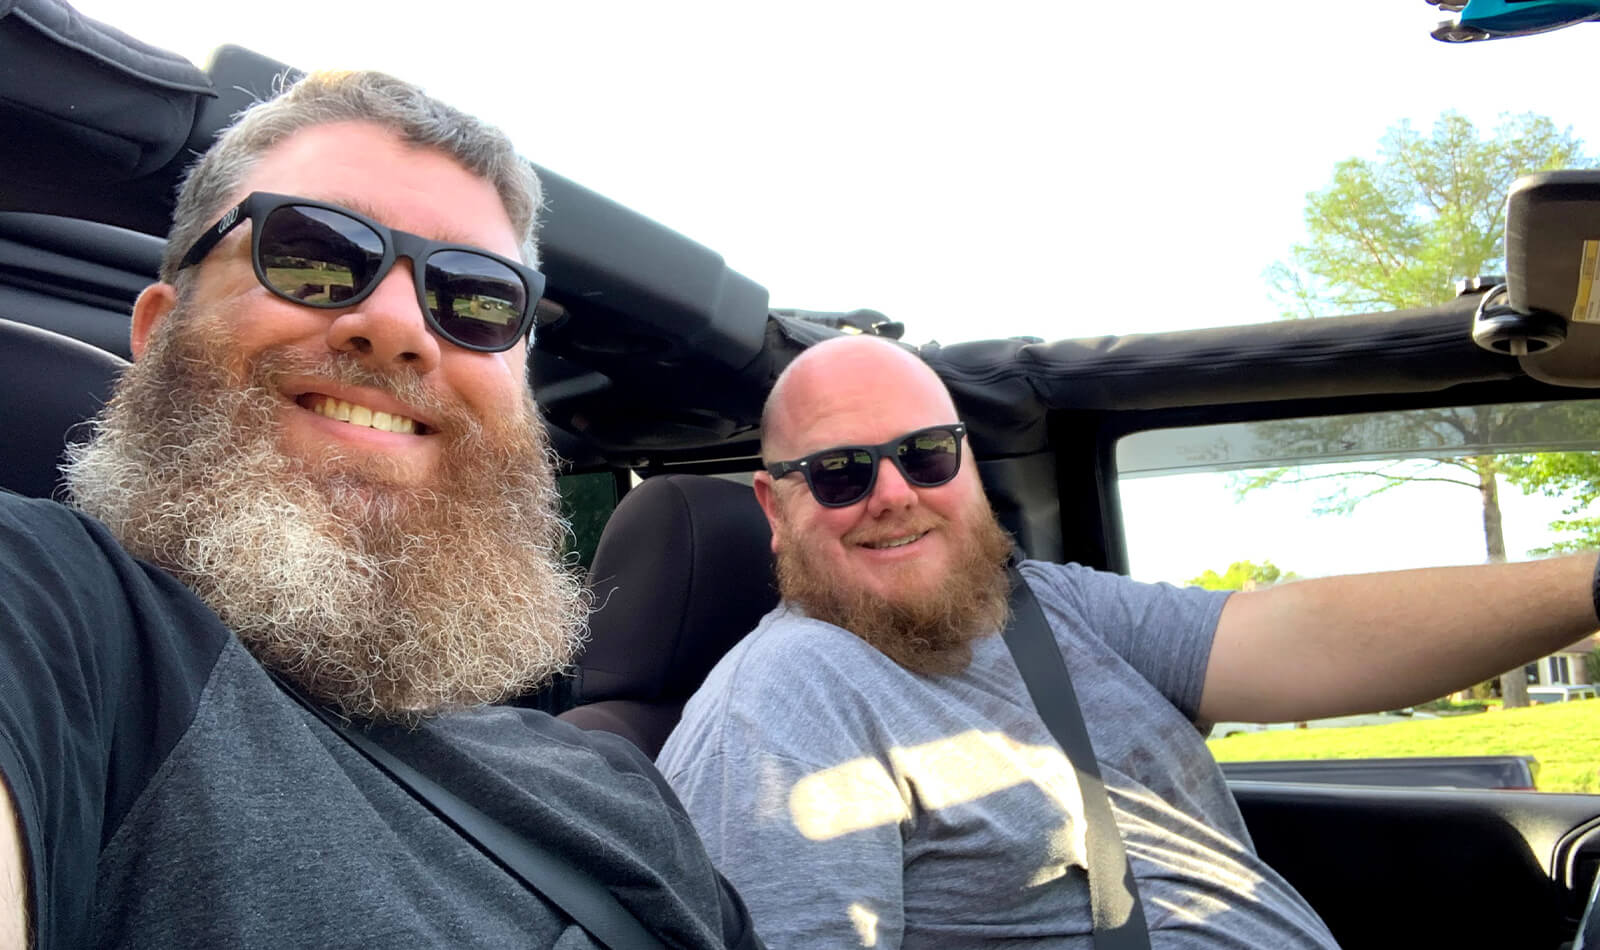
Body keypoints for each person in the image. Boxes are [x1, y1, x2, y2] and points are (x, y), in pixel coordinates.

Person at [0, 70, 760, 949]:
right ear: (157, 329)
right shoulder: (55, 617)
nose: (399, 325)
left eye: (477, 298)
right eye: (312, 252)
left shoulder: (613, 784)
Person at [656, 334, 1600, 948]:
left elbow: (1290, 636)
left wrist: (1592, 583)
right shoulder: (785, 705)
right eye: (838, 473)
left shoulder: (1042, 607)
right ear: (773, 508)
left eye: (927, 453)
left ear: (968, 466)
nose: (895, 492)